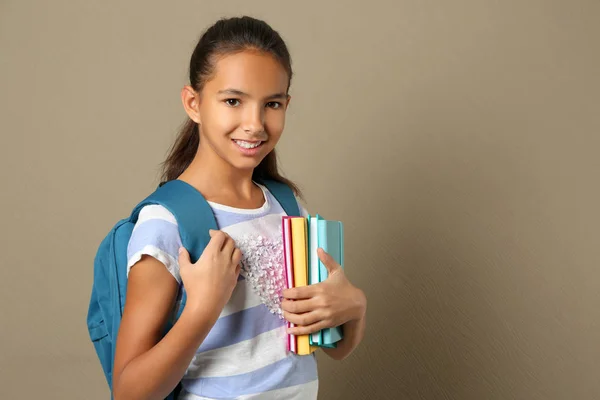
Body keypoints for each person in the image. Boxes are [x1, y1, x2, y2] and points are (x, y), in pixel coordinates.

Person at [112, 16, 367, 400]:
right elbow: (130, 393)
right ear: (193, 103)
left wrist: (355, 308)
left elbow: (334, 348)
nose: (255, 124)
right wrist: (202, 309)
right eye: (233, 101)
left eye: (272, 104)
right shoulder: (166, 223)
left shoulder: (285, 205)